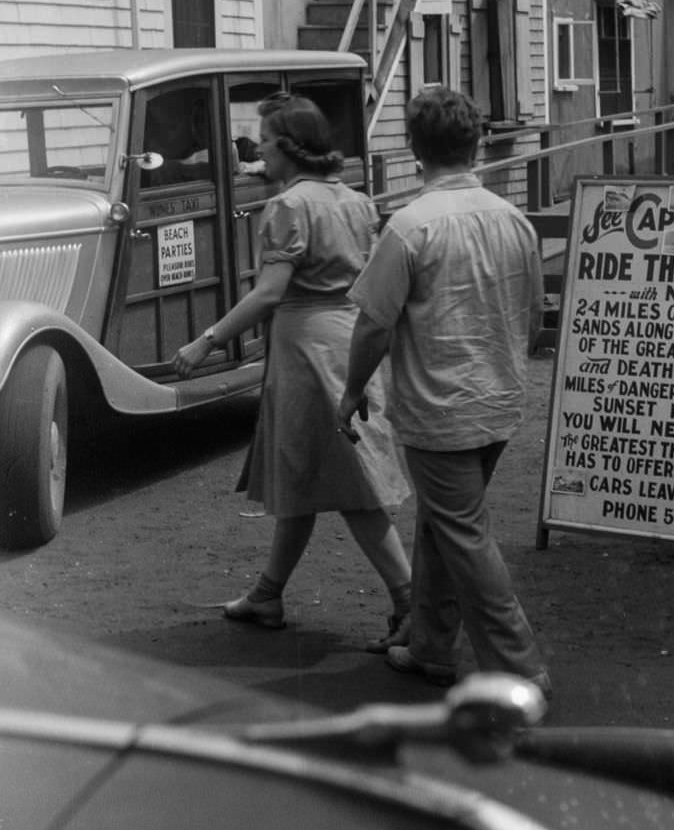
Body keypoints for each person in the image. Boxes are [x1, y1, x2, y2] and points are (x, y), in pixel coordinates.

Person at [173, 93, 411, 646]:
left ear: (290, 147)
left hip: (308, 351)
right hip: (350, 341)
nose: (257, 149)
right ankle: (267, 594)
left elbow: (268, 294)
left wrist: (206, 341)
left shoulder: (287, 207)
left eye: (265, 140)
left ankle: (409, 602)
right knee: (303, 477)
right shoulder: (354, 201)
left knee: (354, 485)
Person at [337, 87, 551, 697]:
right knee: (444, 520)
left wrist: (352, 391)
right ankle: (431, 643)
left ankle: (520, 672)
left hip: (440, 407)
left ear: (413, 150)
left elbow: (374, 323)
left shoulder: (408, 227)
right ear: (477, 142)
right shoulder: (514, 220)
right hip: (499, 397)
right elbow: (533, 313)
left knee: (462, 533)